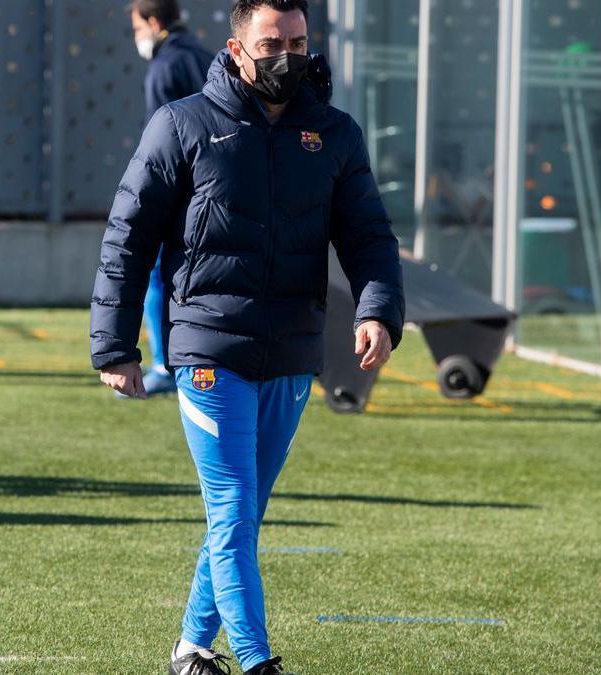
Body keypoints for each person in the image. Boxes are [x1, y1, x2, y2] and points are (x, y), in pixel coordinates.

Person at [90, 1, 405, 672]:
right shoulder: (181, 125)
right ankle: (259, 662)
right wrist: (113, 345)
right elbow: (128, 238)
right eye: (271, 43)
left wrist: (376, 309)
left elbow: (369, 236)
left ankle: (190, 649)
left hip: (293, 351)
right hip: (208, 348)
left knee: (242, 516)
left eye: (297, 39)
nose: (288, 54)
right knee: (232, 508)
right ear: (236, 49)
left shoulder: (334, 134)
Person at [129, 0, 214, 396]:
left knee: (159, 277)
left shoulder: (164, 67)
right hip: (217, 191)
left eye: (136, 28)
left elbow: (161, 144)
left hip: (179, 194)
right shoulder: (205, 55)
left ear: (153, 21)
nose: (137, 38)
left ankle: (166, 364)